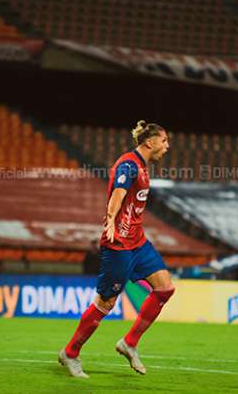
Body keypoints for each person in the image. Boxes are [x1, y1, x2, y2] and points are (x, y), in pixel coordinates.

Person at [59, 120, 174, 378]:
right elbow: (117, 194)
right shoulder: (129, 165)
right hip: (119, 244)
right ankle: (71, 353)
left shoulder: (143, 166)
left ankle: (129, 343)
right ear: (149, 142)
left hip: (138, 242)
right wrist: (110, 221)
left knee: (165, 287)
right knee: (105, 303)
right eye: (164, 141)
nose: (167, 147)